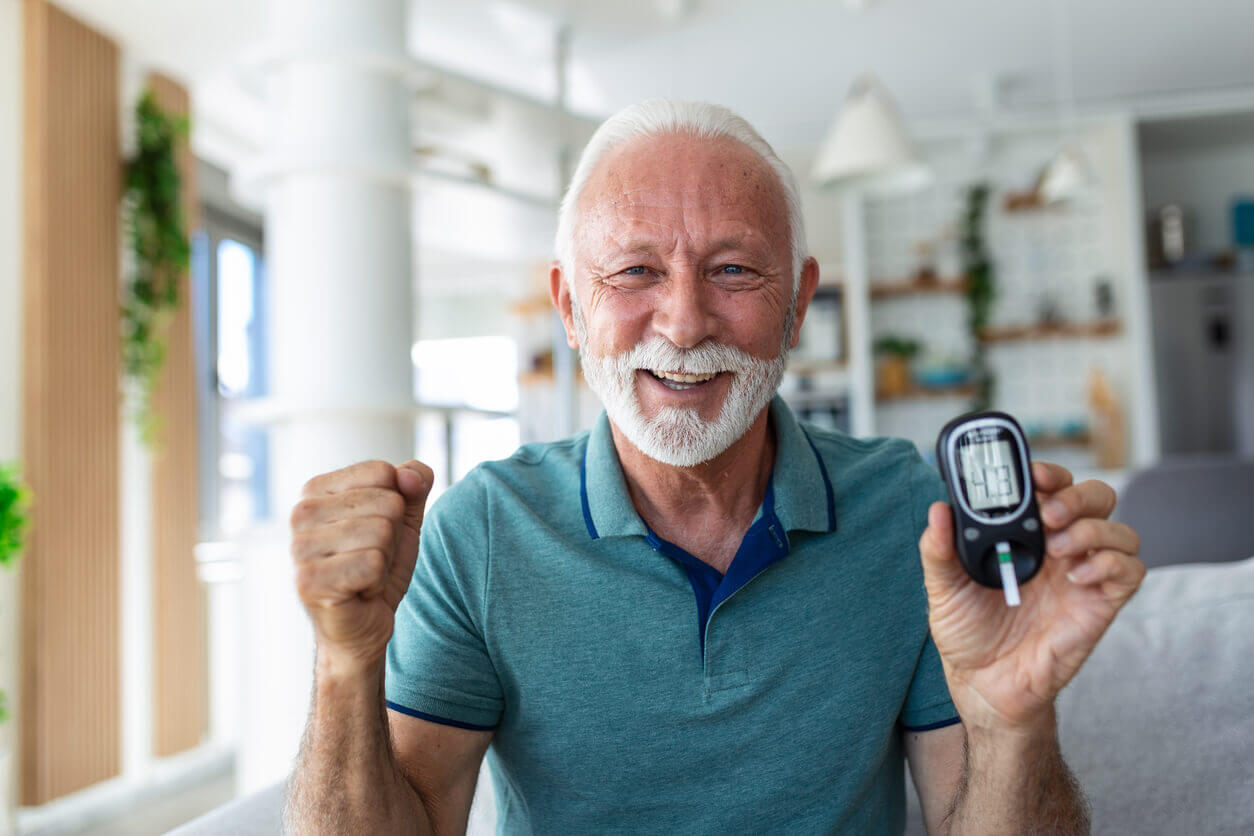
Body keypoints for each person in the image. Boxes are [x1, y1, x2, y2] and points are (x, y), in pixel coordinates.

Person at [284, 100, 1144, 834]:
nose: (686, 322)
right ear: (570, 308)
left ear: (798, 305)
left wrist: (1011, 724)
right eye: (633, 272)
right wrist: (345, 663)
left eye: (733, 270)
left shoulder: (912, 517)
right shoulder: (482, 530)